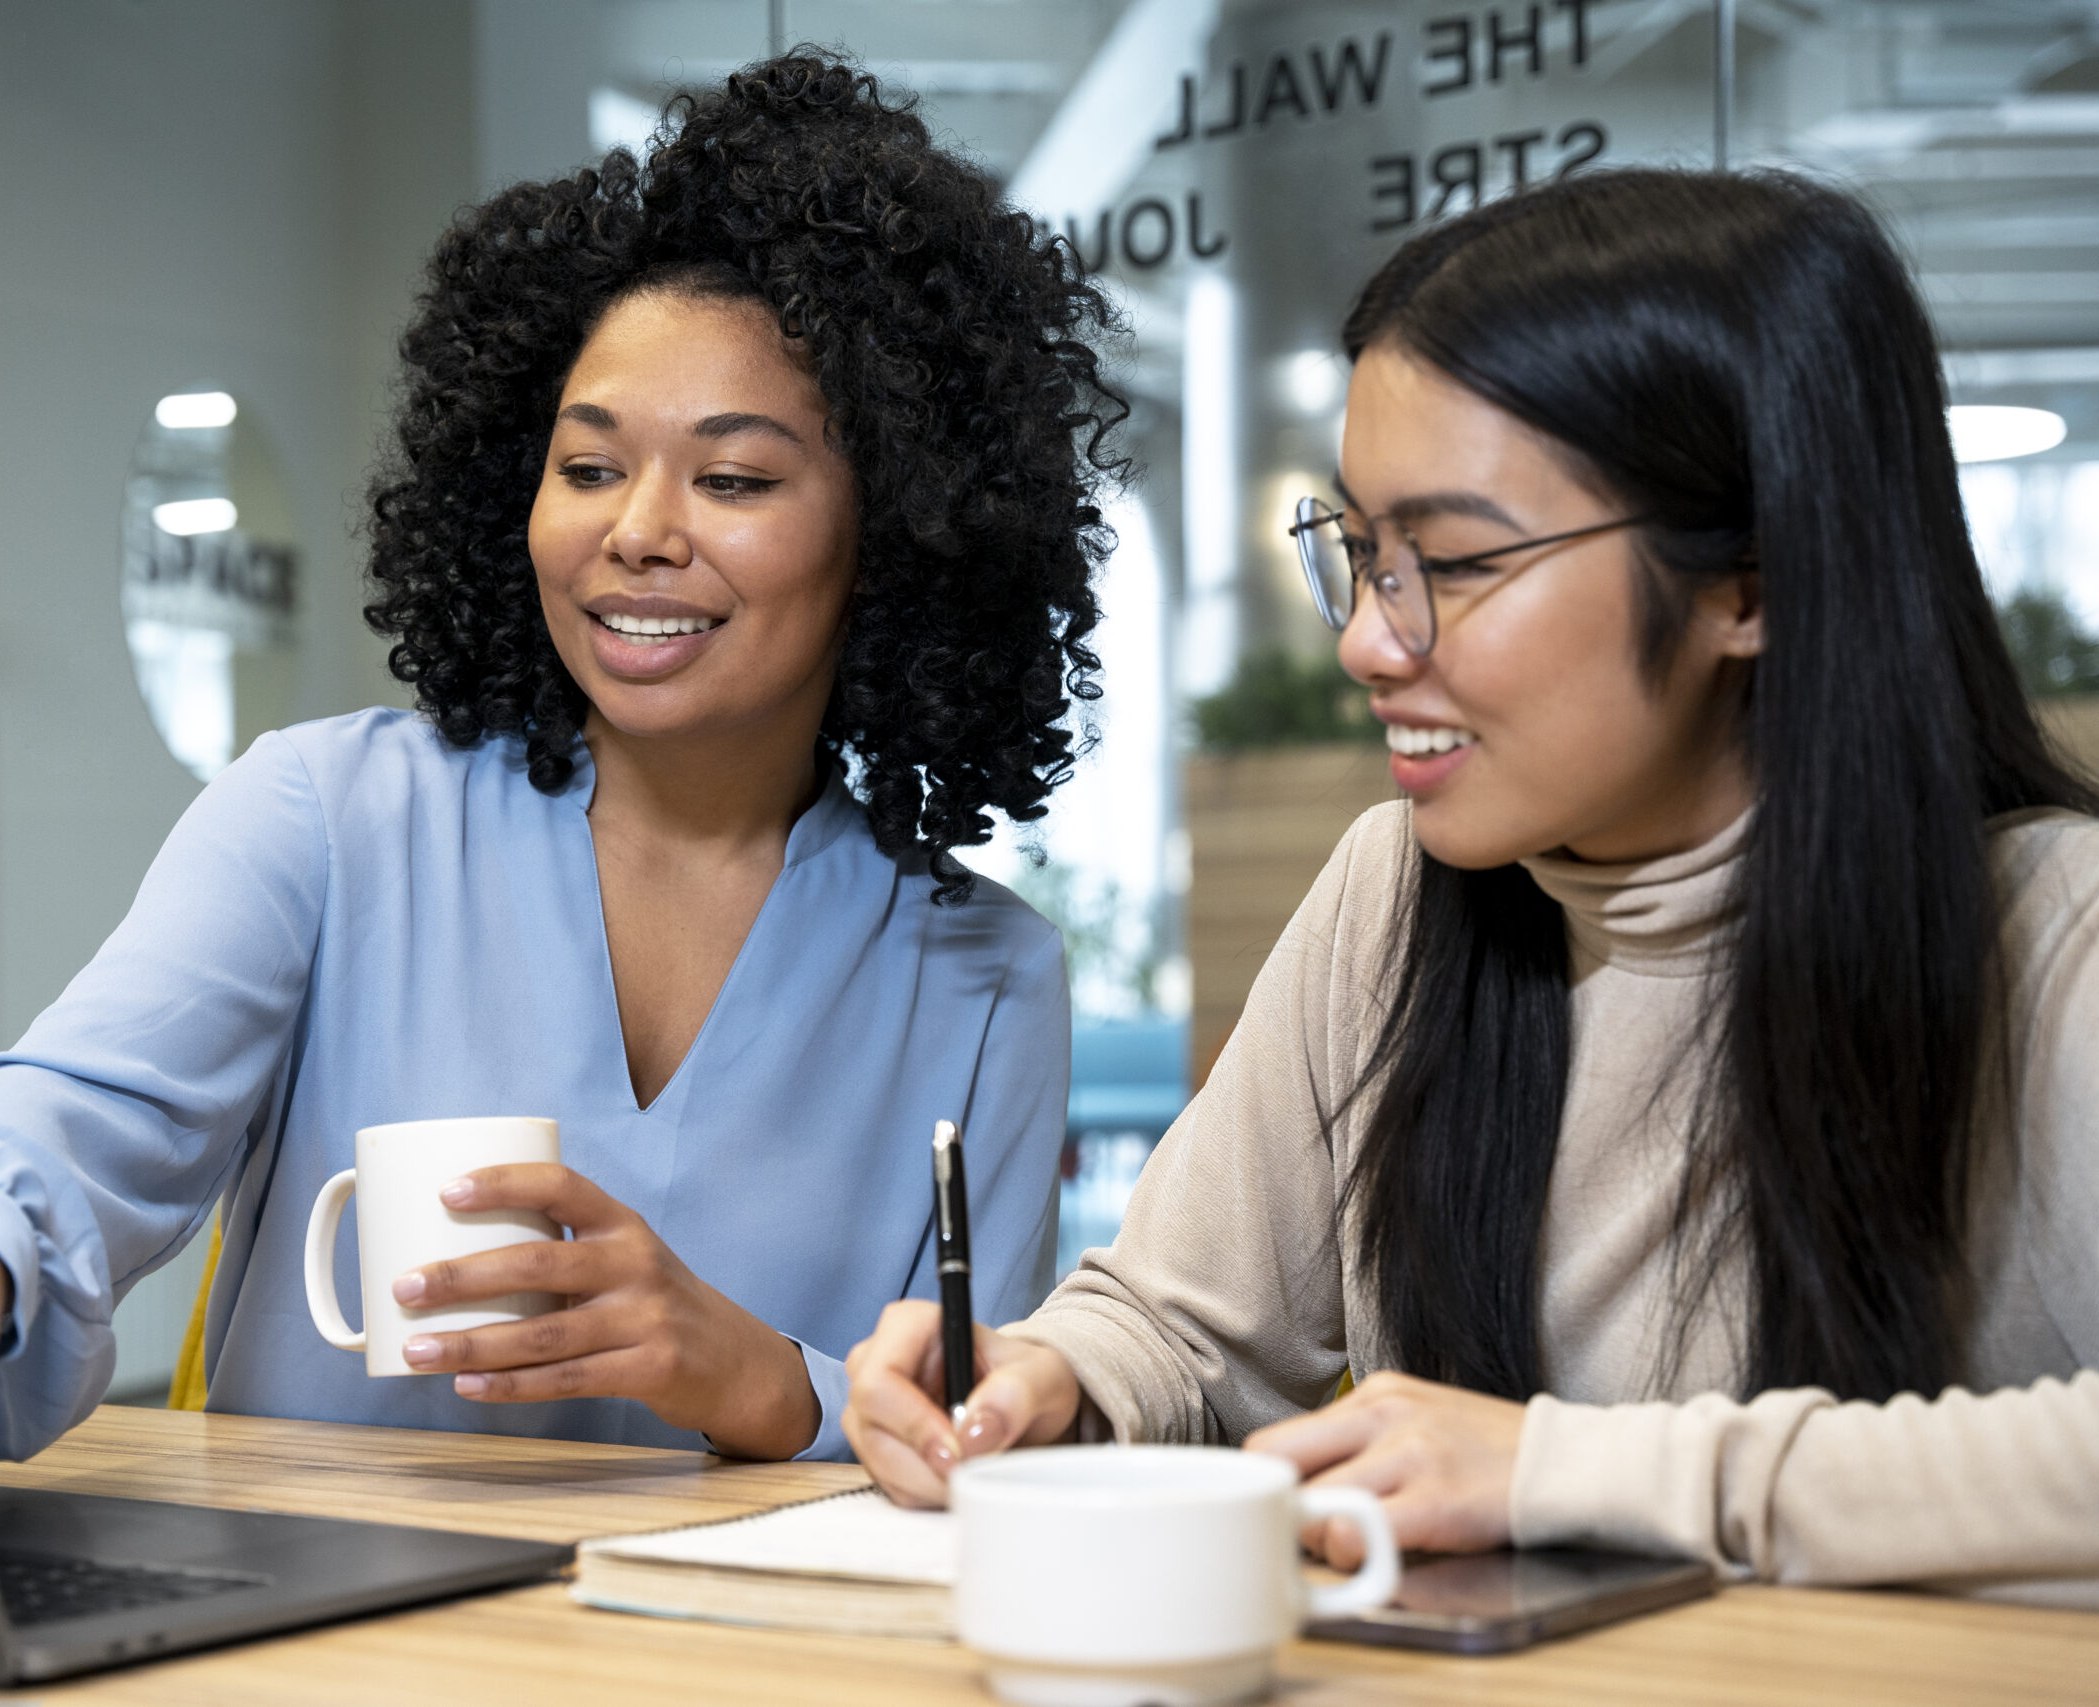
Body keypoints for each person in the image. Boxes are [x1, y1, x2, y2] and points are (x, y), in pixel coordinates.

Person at [845, 167, 2099, 1603]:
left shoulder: (2050, 938)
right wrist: (1043, 1381)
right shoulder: (1398, 897)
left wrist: (1564, 1474)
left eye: (1452, 561)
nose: (1373, 644)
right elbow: (1183, 1329)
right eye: (1367, 557)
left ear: (1749, 585)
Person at [0, 54, 1126, 1464]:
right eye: (587, 468)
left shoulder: (986, 981)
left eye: (735, 478)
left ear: (896, 536)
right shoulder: (329, 819)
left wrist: (769, 1382)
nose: (637, 530)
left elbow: (984, 1428)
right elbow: (85, 1118)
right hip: (324, 1657)